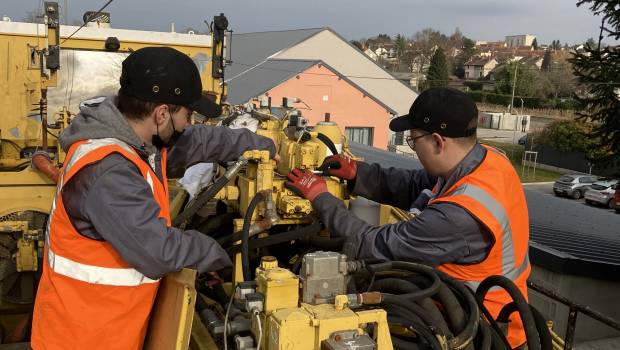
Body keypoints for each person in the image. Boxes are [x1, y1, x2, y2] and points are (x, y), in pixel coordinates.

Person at [31, 47, 278, 350]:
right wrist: (216, 252)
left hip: (116, 329)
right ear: (161, 113)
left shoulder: (138, 138)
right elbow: (158, 251)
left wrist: (263, 145)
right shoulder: (108, 172)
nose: (189, 123)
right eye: (188, 114)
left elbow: (199, 142)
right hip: (84, 338)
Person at [286, 87, 530, 348]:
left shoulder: (458, 216)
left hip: (480, 331)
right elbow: (416, 184)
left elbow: (374, 245)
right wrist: (358, 174)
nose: (414, 149)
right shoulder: (486, 161)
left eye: (414, 141)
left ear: (438, 142)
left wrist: (320, 197)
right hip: (479, 311)